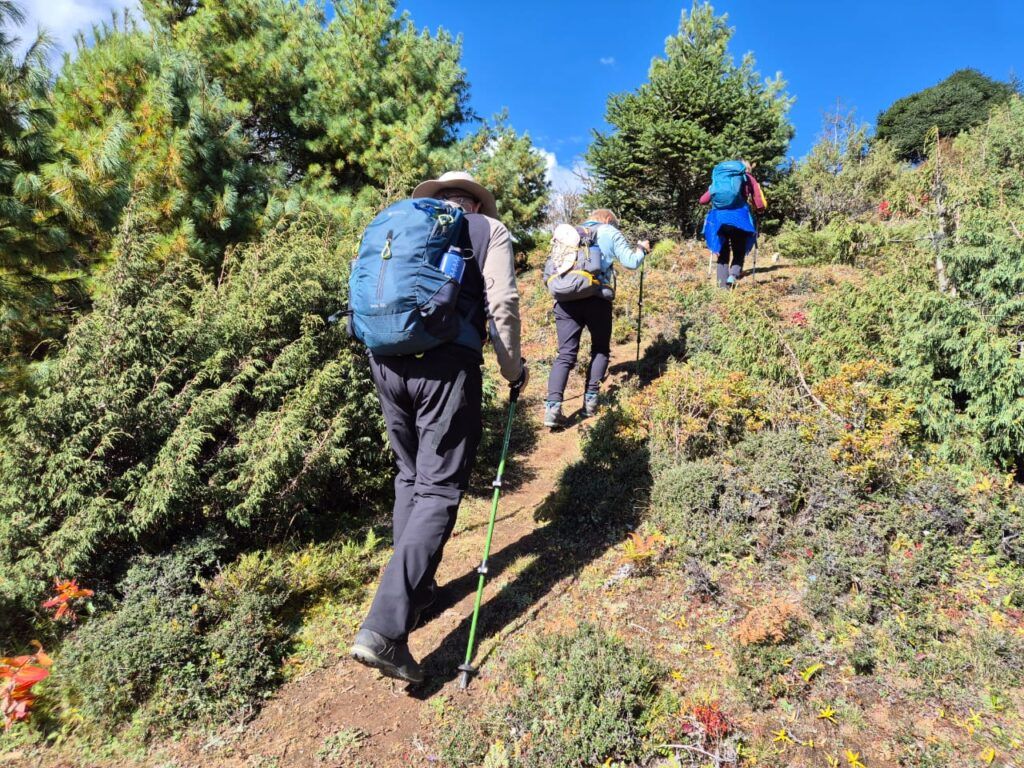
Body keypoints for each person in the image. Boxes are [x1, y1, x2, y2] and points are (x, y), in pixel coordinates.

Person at [350, 171, 528, 684]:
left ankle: (418, 591)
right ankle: (385, 629)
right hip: (444, 365)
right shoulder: (486, 230)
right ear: (475, 201)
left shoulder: (397, 225)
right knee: (440, 488)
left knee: (410, 478)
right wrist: (512, 369)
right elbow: (502, 305)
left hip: (385, 361)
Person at [543, 208, 648, 428]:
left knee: (565, 354)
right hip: (596, 298)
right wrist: (642, 250)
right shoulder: (608, 231)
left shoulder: (571, 233)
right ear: (608, 219)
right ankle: (589, 405)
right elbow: (630, 262)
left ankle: (552, 410)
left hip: (565, 300)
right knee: (600, 349)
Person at [699, 160, 767, 289]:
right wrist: (760, 210)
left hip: (719, 220)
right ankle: (734, 275)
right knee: (739, 250)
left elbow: (703, 200)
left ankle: (722, 288)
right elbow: (759, 202)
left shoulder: (720, 179)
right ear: (747, 169)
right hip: (739, 219)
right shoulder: (748, 178)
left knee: (723, 253)